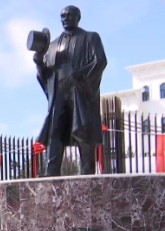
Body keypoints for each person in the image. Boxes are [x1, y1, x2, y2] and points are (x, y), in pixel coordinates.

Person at [33, 5, 107, 176]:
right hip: (59, 94)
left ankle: (87, 173)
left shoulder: (90, 38)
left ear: (78, 17)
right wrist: (38, 61)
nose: (65, 18)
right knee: (55, 132)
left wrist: (79, 76)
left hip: (79, 91)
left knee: (84, 132)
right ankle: (51, 173)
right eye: (62, 16)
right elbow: (45, 76)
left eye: (69, 15)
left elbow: (100, 61)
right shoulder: (51, 46)